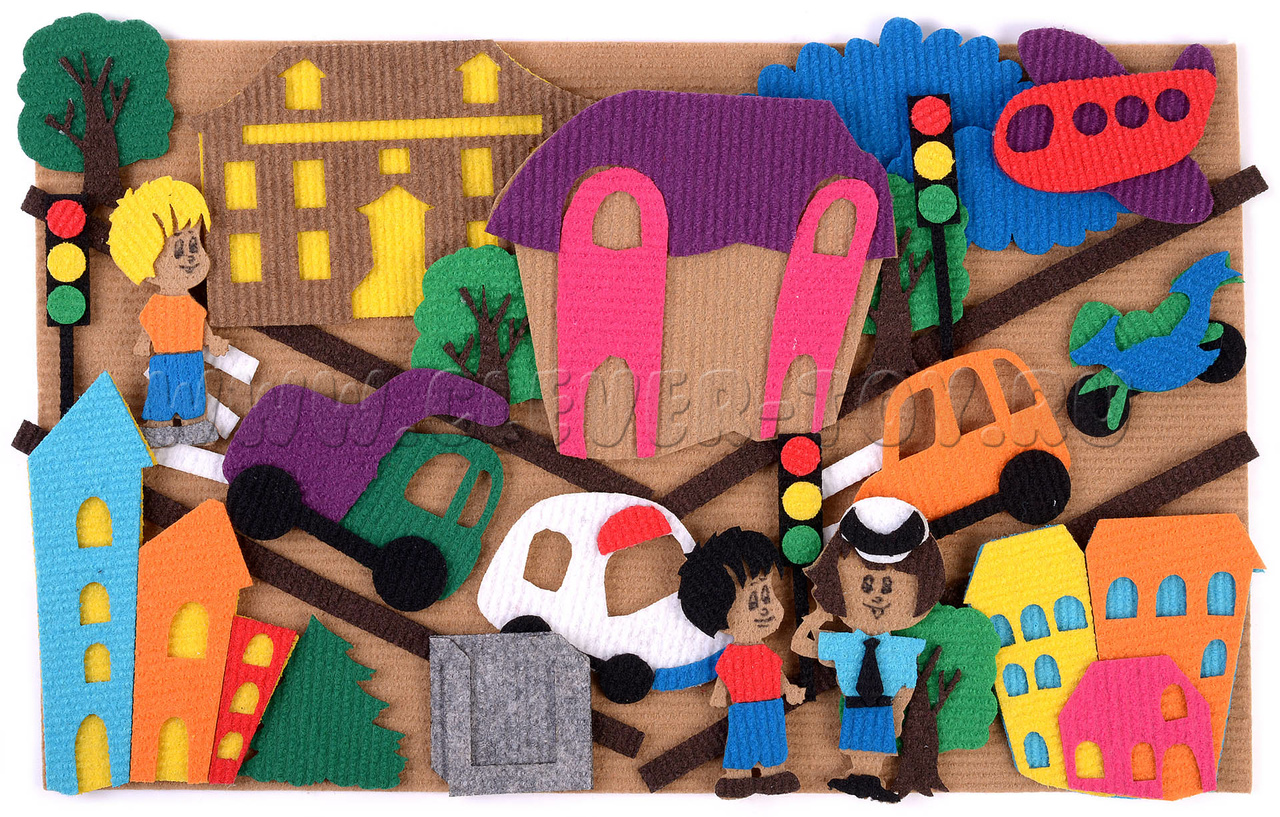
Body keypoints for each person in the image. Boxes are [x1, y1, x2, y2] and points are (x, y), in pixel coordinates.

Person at [792, 497, 946, 801]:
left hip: (883, 707)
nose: (878, 595)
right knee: (855, 745)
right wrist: (816, 618)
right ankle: (858, 778)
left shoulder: (901, 649)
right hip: (855, 705)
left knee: (875, 746)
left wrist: (898, 714)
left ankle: (872, 780)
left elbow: (907, 686)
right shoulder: (846, 644)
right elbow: (800, 645)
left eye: (889, 587)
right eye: (865, 585)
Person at [678, 528, 805, 799]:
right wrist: (719, 693)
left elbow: (776, 674)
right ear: (721, 614)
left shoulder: (765, 652)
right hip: (743, 709)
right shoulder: (732, 655)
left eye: (767, 594)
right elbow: (725, 676)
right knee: (740, 741)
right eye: (753, 600)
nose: (765, 608)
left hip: (771, 706)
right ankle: (737, 776)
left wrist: (789, 689)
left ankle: (774, 772)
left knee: (772, 740)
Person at [108, 177, 228, 448]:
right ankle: (160, 427)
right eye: (179, 248)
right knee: (161, 392)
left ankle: (193, 424)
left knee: (193, 392)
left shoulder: (190, 303)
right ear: (147, 259)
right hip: (162, 359)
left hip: (192, 357)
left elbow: (200, 324)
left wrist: (213, 340)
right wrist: (143, 342)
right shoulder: (157, 304)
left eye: (194, 244)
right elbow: (149, 325)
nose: (191, 256)